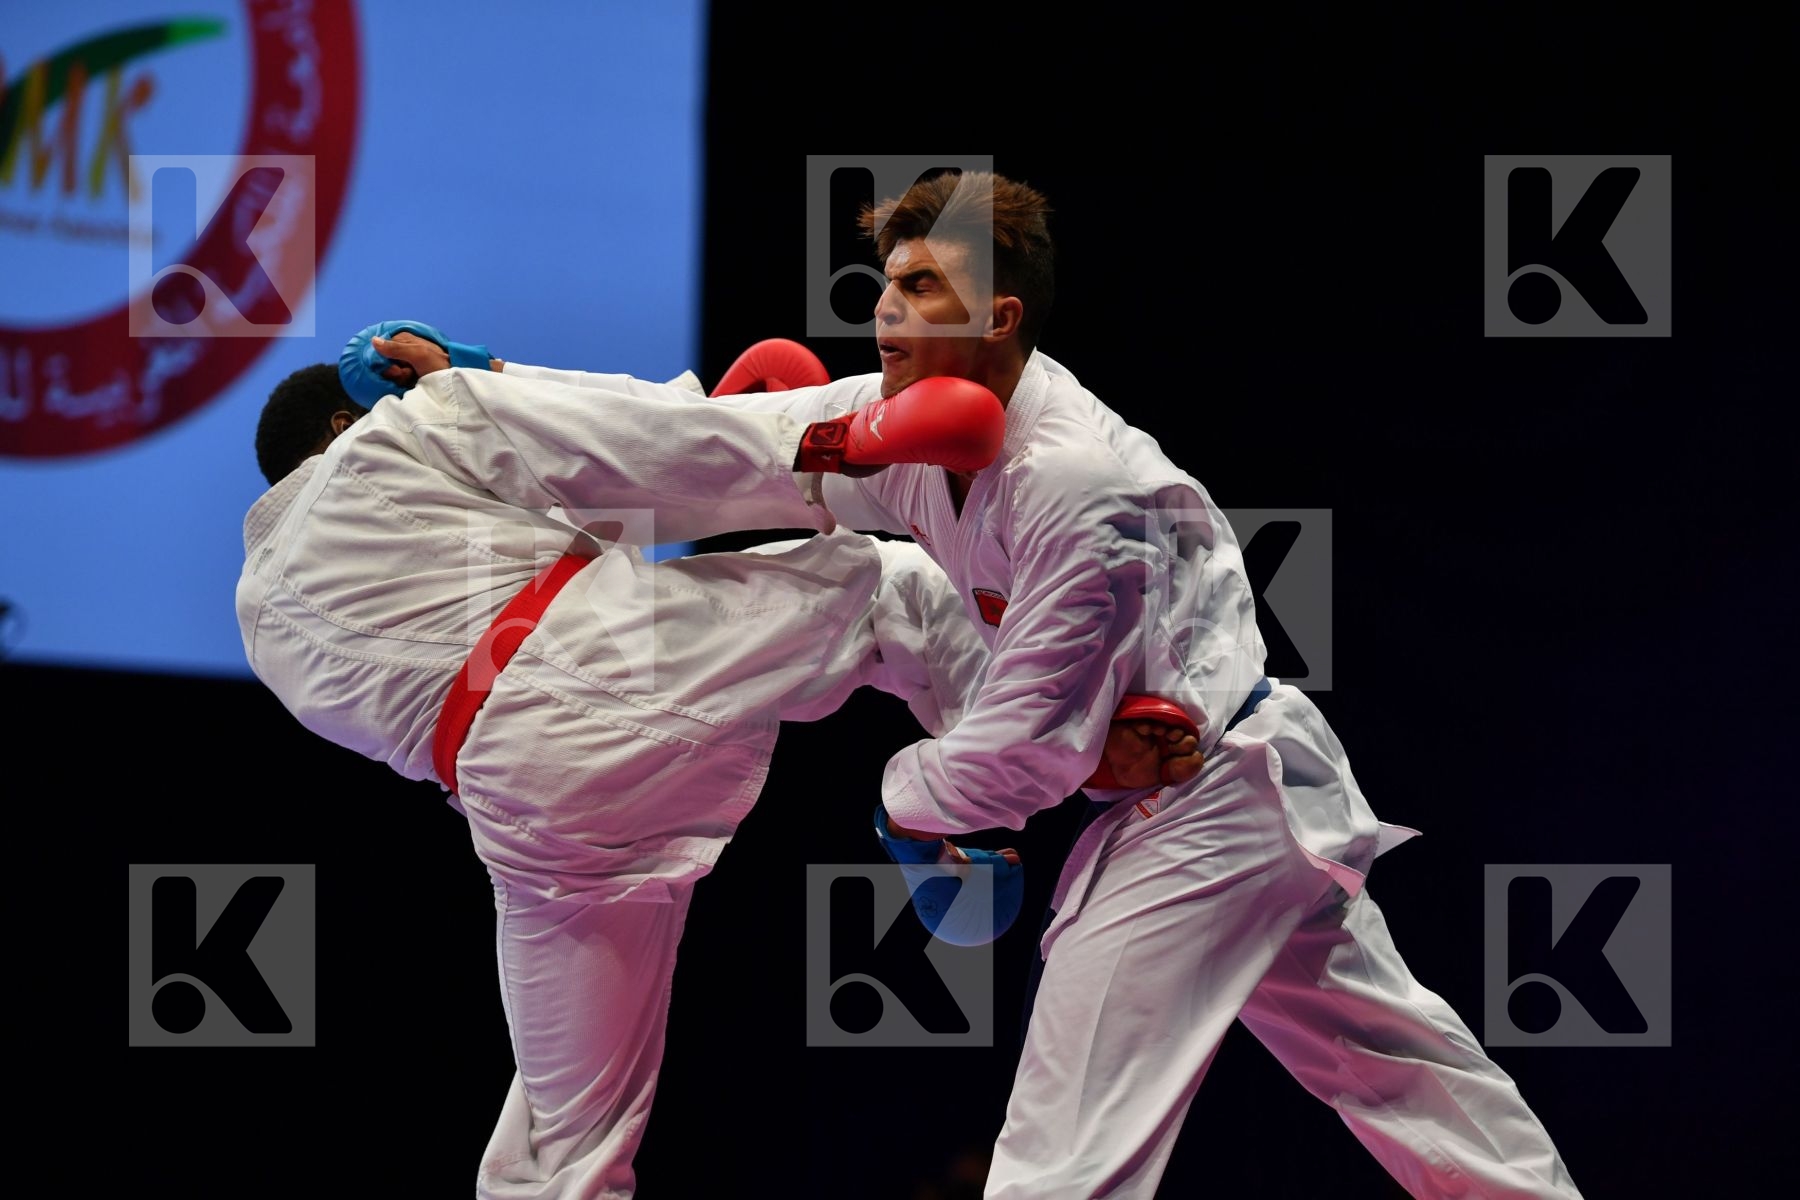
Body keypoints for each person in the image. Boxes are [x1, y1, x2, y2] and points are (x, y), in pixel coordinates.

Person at [681, 171, 1586, 1198]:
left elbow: (1019, 755)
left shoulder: (1071, 479)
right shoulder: (908, 447)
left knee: (1062, 1162)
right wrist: (486, 379)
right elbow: (660, 440)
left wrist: (905, 803)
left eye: (923, 284)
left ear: (998, 316)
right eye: (886, 283)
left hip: (1199, 803)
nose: (885, 309)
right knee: (1407, 1081)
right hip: (1246, 791)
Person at [236, 332, 1200, 1200]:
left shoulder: (260, 619)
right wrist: (482, 380)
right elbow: (619, 446)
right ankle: (1061, 763)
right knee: (884, 585)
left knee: (564, 1141)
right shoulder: (396, 436)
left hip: (527, 814)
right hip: (610, 662)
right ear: (345, 419)